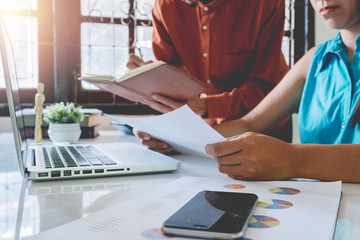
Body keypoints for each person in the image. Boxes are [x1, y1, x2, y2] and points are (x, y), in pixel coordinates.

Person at [204, 0, 360, 183]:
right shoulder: (313, 60)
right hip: (313, 203)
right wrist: (179, 140)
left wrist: (292, 159)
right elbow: (250, 123)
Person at [127, 0, 292, 143]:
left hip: (266, 126)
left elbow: (265, 88)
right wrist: (151, 79)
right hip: (205, 126)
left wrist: (203, 106)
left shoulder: (265, 4)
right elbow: (173, 80)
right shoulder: (165, 6)